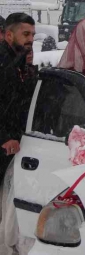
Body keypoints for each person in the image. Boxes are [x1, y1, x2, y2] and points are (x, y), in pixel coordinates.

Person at [0, 13, 36, 176]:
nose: (31, 39)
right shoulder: (4, 61)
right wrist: (5, 137)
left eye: (33, 34)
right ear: (9, 35)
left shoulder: (19, 61)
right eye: (26, 34)